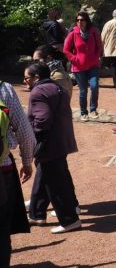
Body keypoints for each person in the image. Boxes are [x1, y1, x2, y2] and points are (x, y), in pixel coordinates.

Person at [24, 62, 81, 233]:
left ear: (37, 77)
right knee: (46, 176)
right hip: (61, 141)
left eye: (27, 77)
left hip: (48, 143)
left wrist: (33, 134)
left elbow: (43, 119)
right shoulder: (56, 87)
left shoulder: (38, 91)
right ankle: (37, 213)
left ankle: (70, 220)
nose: (25, 81)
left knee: (56, 183)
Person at [0, 79, 35, 268]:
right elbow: (26, 134)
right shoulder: (3, 89)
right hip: (2, 170)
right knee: (1, 231)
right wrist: (27, 162)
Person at [63, 11, 102, 121]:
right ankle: (83, 112)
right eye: (78, 20)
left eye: (82, 20)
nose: (80, 22)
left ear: (86, 21)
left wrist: (96, 57)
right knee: (83, 90)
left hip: (93, 65)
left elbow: (99, 47)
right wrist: (74, 59)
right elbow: (66, 50)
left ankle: (93, 109)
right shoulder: (73, 33)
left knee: (94, 86)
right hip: (79, 67)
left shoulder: (93, 32)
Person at [101, 9, 116, 87]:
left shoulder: (108, 23)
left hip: (110, 50)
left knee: (114, 67)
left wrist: (101, 47)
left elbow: (102, 37)